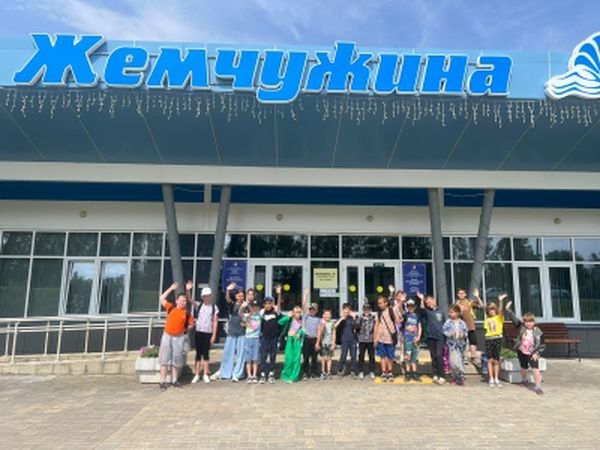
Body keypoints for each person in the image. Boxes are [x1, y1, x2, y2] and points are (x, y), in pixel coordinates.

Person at [158, 282, 194, 391]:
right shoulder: (170, 307)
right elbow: (161, 298)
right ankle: (162, 381)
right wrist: (171, 288)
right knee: (164, 359)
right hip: (167, 336)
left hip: (179, 338)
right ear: (176, 301)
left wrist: (187, 328)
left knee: (176, 359)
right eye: (181, 300)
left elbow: (191, 325)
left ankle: (174, 380)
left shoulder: (187, 313)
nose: (183, 302)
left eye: (184, 301)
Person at [505, 300, 546, 395]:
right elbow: (514, 319)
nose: (528, 324)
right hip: (522, 351)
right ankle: (524, 380)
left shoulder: (538, 331)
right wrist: (508, 309)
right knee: (523, 367)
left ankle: (538, 386)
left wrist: (537, 353)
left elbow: (543, 344)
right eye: (526, 322)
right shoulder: (521, 327)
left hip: (533, 353)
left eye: (530, 321)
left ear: (534, 322)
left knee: (535, 369)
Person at [211, 283, 246, 382]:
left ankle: (237, 374)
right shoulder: (232, 304)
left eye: (242, 295)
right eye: (239, 295)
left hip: (242, 333)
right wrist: (227, 290)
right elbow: (227, 299)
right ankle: (225, 373)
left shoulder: (246, 305)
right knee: (228, 353)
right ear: (235, 296)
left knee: (241, 354)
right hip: (231, 332)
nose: (240, 297)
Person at [186, 282, 219, 384]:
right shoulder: (199, 305)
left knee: (206, 354)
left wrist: (214, 335)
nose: (206, 298)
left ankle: (205, 374)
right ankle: (196, 374)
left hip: (208, 332)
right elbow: (190, 299)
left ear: (211, 296)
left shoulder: (214, 307)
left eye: (208, 296)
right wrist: (188, 290)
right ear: (202, 297)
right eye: (205, 296)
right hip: (198, 332)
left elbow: (215, 321)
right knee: (198, 354)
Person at [416, 292, 448, 385]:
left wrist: (446, 336)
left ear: (434, 301)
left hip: (440, 337)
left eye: (430, 302)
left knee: (439, 355)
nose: (428, 304)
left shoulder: (441, 311)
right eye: (427, 303)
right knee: (433, 356)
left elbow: (445, 324)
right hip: (430, 337)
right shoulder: (427, 312)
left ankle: (442, 375)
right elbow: (422, 310)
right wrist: (422, 299)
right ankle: (435, 374)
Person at [373, 295, 401, 382]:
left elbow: (398, 321)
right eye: (378, 303)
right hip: (381, 338)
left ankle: (390, 372)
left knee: (390, 356)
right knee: (382, 356)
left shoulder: (392, 311)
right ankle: (384, 372)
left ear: (386, 303)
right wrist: (375, 338)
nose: (380, 305)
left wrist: (398, 308)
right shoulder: (379, 313)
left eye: (381, 303)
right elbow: (376, 326)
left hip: (390, 338)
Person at [259, 290, 281, 384]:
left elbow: (278, 305)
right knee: (263, 356)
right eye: (266, 304)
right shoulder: (262, 313)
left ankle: (271, 373)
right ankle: (263, 374)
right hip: (264, 337)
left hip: (274, 338)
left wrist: (279, 294)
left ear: (272, 304)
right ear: (264, 305)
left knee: (273, 356)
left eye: (270, 303)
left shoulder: (275, 312)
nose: (268, 305)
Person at [455, 287, 484, 362]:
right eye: (459, 293)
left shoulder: (469, 302)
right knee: (461, 343)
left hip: (470, 326)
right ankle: (463, 358)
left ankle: (473, 358)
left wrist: (477, 297)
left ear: (465, 294)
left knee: (473, 342)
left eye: (462, 293)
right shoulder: (456, 304)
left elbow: (481, 306)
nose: (461, 295)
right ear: (457, 294)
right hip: (461, 327)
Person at [443, 304, 469, 386]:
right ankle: (454, 377)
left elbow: (466, 332)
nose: (450, 314)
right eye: (449, 312)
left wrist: (463, 334)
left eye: (452, 312)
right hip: (452, 345)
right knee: (453, 362)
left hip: (461, 344)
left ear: (457, 313)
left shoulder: (462, 323)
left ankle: (461, 377)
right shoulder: (448, 322)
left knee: (460, 361)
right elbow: (444, 331)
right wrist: (451, 334)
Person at [484, 294, 506, 388]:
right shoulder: (487, 320)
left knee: (496, 360)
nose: (491, 311)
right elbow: (487, 330)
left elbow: (500, 311)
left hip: (497, 338)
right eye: (490, 310)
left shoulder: (499, 317)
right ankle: (491, 378)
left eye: (493, 309)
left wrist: (500, 301)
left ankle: (497, 378)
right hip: (489, 339)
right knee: (490, 359)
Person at [278, 306, 305, 383]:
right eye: (296, 312)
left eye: (299, 312)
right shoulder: (289, 320)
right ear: (293, 313)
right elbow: (280, 322)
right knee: (288, 358)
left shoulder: (302, 322)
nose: (297, 314)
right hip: (289, 340)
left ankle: (294, 377)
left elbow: (304, 331)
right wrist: (288, 316)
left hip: (297, 341)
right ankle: (286, 375)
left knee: (296, 359)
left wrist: (299, 333)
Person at [335, 303, 359, 378]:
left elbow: (357, 327)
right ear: (343, 310)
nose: (347, 311)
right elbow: (335, 326)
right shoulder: (341, 319)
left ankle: (353, 371)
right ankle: (340, 370)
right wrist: (342, 319)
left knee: (353, 356)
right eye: (345, 309)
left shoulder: (353, 318)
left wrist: (354, 318)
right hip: (344, 339)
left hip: (353, 339)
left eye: (348, 309)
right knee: (343, 355)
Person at [301, 288, 321, 380]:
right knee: (305, 357)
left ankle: (314, 372)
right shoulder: (306, 317)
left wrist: (318, 342)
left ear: (316, 311)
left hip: (314, 339)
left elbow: (319, 331)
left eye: (314, 310)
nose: (312, 311)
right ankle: (305, 373)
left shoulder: (318, 319)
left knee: (314, 358)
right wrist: (306, 295)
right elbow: (303, 306)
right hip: (307, 339)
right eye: (311, 309)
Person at [241, 299, 262, 384]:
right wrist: (243, 307)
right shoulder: (247, 315)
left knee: (255, 358)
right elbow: (240, 313)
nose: (255, 309)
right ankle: (249, 375)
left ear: (259, 308)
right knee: (248, 359)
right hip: (248, 338)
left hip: (256, 338)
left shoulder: (260, 315)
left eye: (256, 307)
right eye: (253, 307)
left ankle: (254, 375)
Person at [401, 299, 422, 382]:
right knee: (407, 356)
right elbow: (402, 325)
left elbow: (419, 326)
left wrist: (419, 336)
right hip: (407, 338)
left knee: (414, 357)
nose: (410, 308)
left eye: (412, 306)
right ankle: (407, 373)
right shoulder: (405, 315)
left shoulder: (417, 316)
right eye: (409, 306)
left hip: (415, 339)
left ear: (415, 307)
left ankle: (414, 373)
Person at [356, 302, 376, 380]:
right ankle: (361, 371)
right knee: (361, 356)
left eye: (368, 309)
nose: (366, 311)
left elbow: (375, 328)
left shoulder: (373, 318)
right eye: (365, 309)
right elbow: (356, 327)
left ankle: (372, 371)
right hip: (362, 340)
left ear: (370, 310)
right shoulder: (360, 318)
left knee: (372, 356)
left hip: (371, 340)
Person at [315, 308, 336, 380]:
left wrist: (333, 342)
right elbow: (319, 333)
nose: (327, 316)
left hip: (330, 342)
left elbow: (334, 333)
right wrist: (317, 343)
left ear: (331, 315)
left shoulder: (332, 324)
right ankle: (323, 372)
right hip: (323, 343)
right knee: (323, 358)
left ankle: (329, 372)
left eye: (329, 314)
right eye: (326, 314)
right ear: (323, 315)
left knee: (329, 358)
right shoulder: (321, 323)